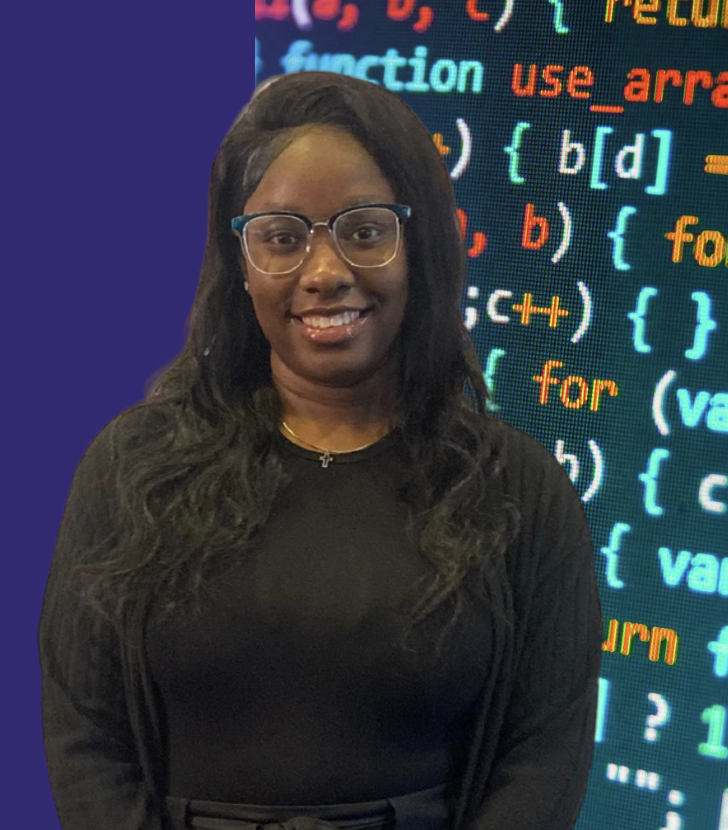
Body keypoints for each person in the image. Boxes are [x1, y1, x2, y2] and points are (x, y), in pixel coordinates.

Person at [38, 71, 602, 830]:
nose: (326, 272)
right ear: (240, 263)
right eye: (282, 237)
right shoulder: (130, 469)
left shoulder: (521, 492)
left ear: (421, 247)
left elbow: (544, 759)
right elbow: (84, 737)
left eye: (365, 231)